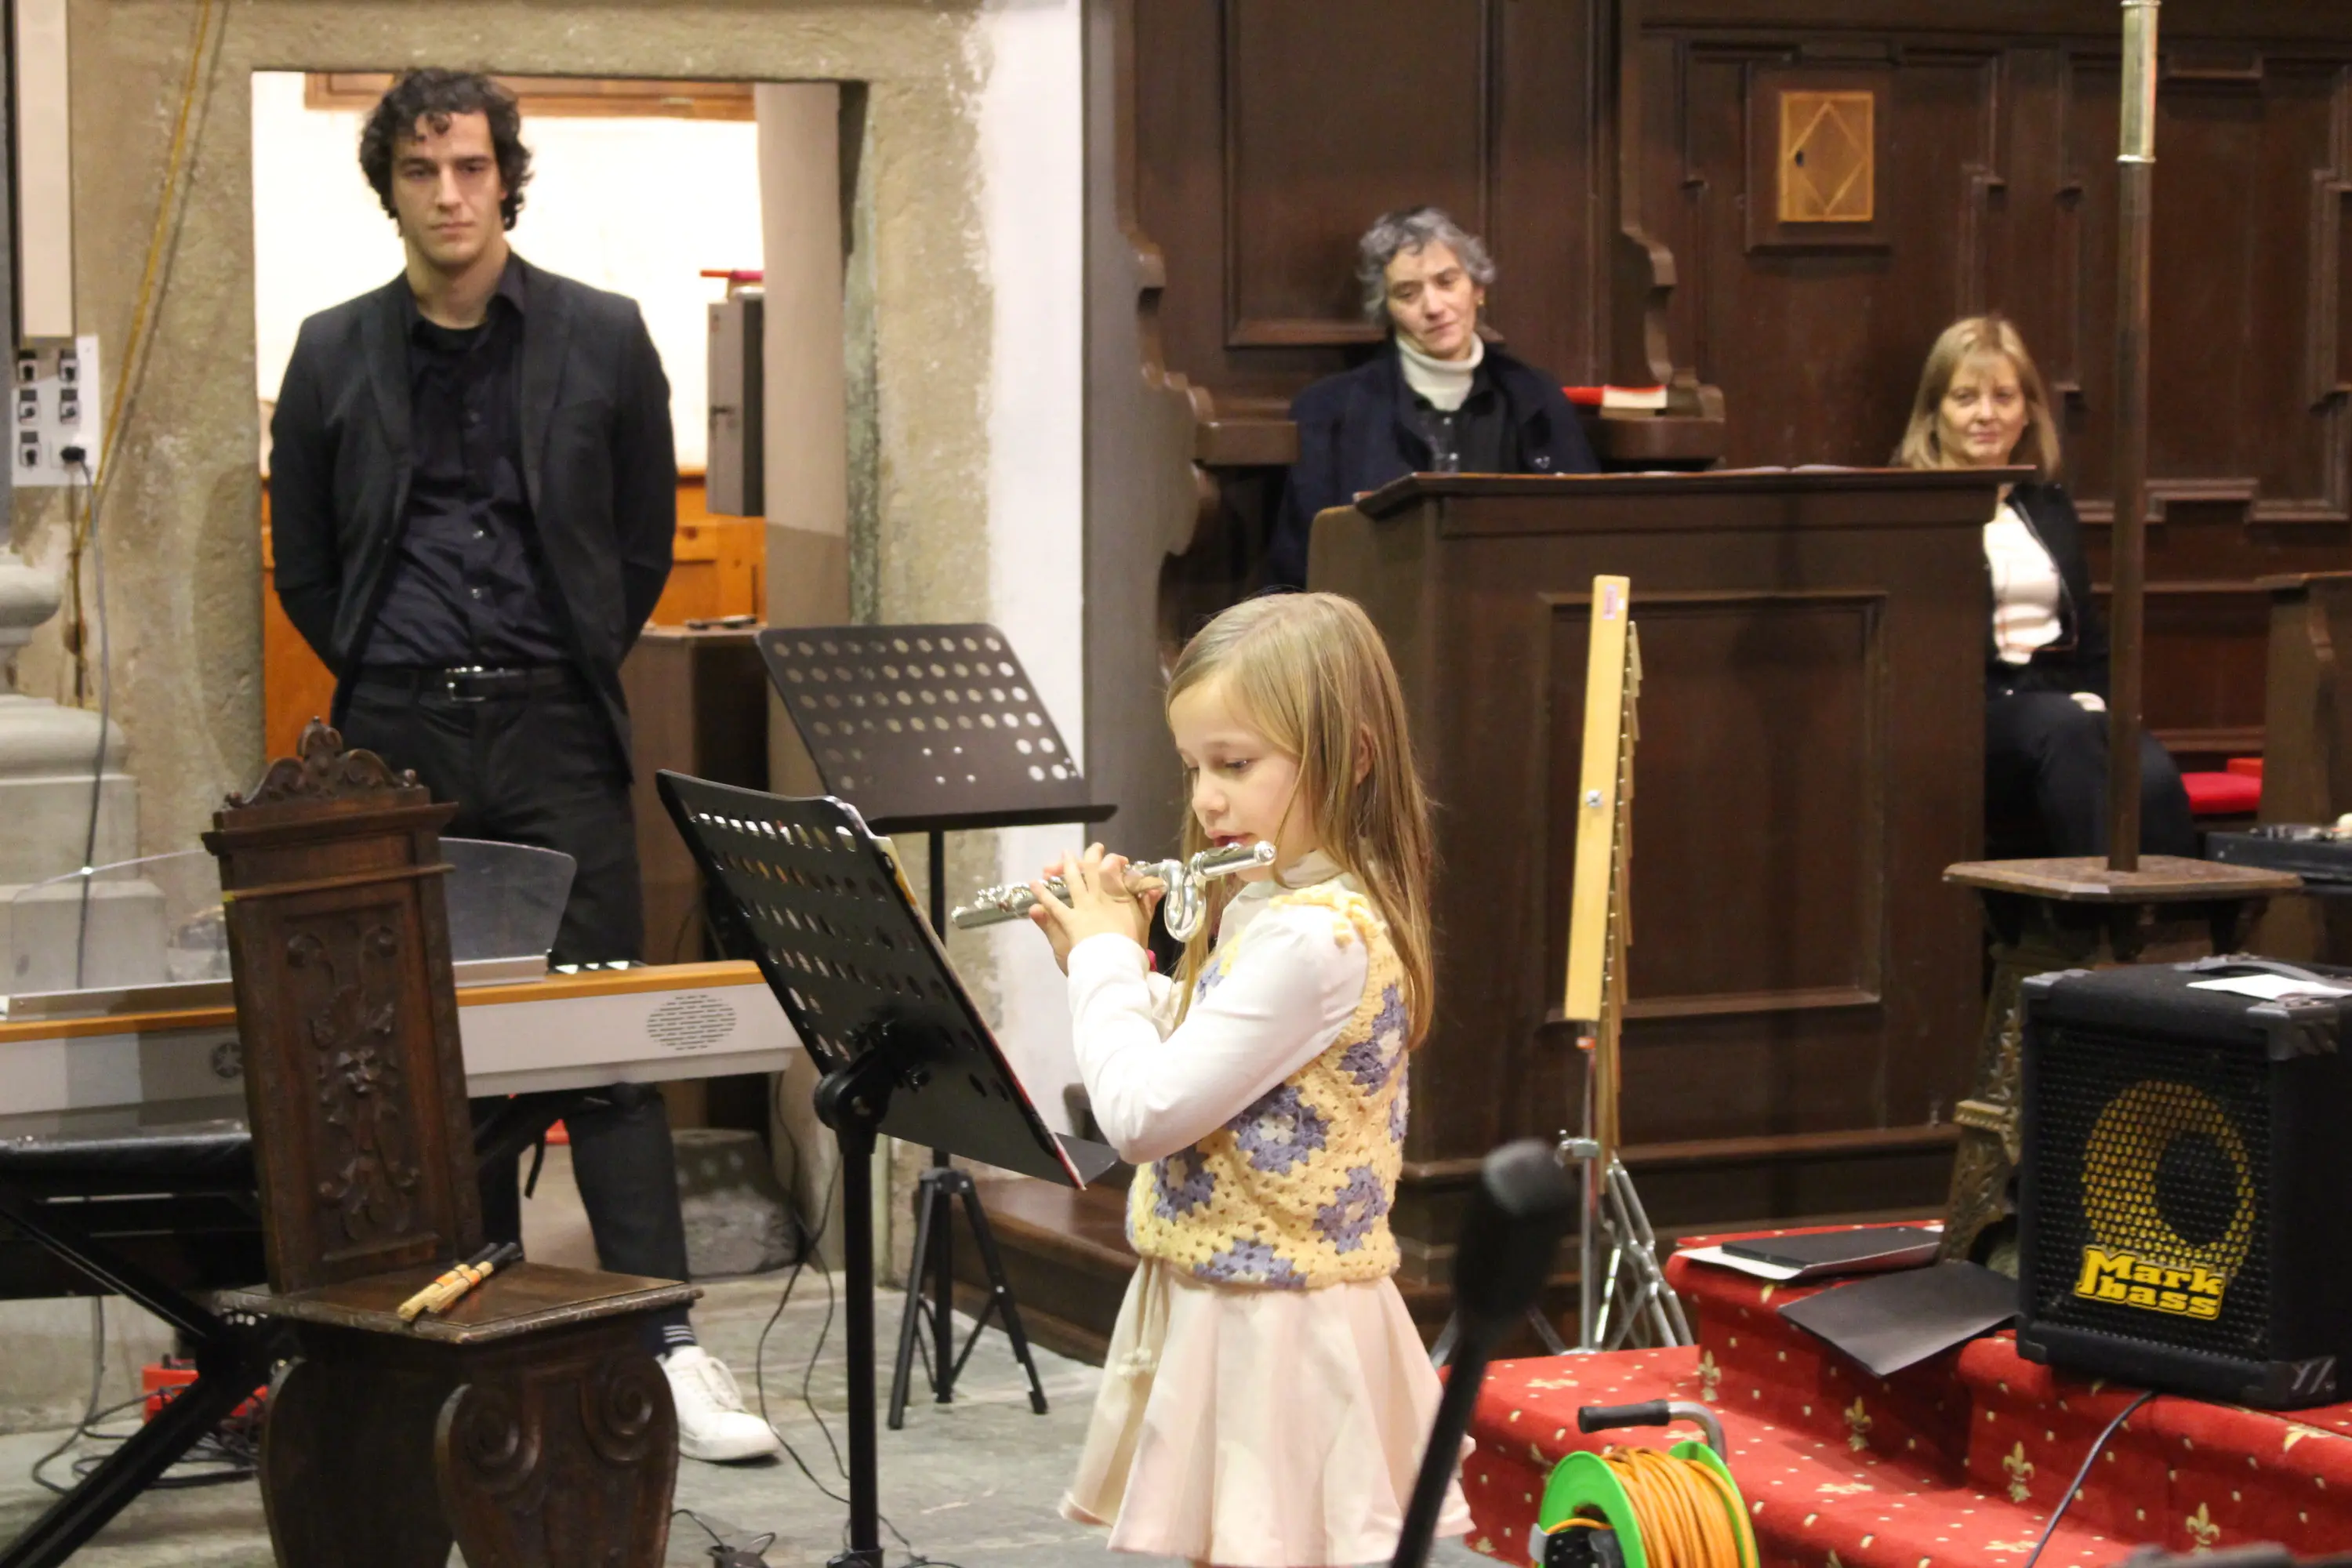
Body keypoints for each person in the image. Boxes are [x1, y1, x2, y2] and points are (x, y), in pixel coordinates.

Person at [267, 69, 779, 1463]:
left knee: (607, 1029)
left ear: (507, 179)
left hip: (554, 721)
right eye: (423, 170)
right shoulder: (331, 350)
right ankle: (463, 1321)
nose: (451, 193)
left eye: (473, 168)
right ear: (390, 187)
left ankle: (664, 1340)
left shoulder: (605, 338)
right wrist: (389, 669)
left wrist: (560, 661)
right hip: (398, 737)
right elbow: (306, 559)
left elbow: (634, 541)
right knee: (432, 1046)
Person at [1025, 593, 1470, 1566]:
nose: (1206, 801)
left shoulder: (1317, 934)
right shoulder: (1274, 898)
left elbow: (1140, 1115)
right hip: (1230, 1290)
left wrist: (1105, 964)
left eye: (1236, 764)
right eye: (1195, 766)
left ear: (1351, 756)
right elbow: (1190, 1068)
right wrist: (1116, 965)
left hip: (1277, 1320)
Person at [1897, 314, 2196, 858]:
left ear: (2027, 412)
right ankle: (2094, 922)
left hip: (2061, 702)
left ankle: (2184, 930)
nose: (1986, 415)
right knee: (2063, 729)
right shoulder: (1913, 510)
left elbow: (2092, 636)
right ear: (1934, 413)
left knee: (2148, 771)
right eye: (1966, 397)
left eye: (2004, 397)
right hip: (1969, 717)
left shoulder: (2048, 506)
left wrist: (2105, 704)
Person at [1272, 205, 1599, 589]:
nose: (1433, 308)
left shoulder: (1536, 397)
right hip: (1375, 625)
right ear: (1387, 309)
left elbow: (1585, 539)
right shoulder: (1328, 411)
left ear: (1477, 289)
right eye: (1408, 294)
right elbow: (1300, 567)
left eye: (1446, 282)